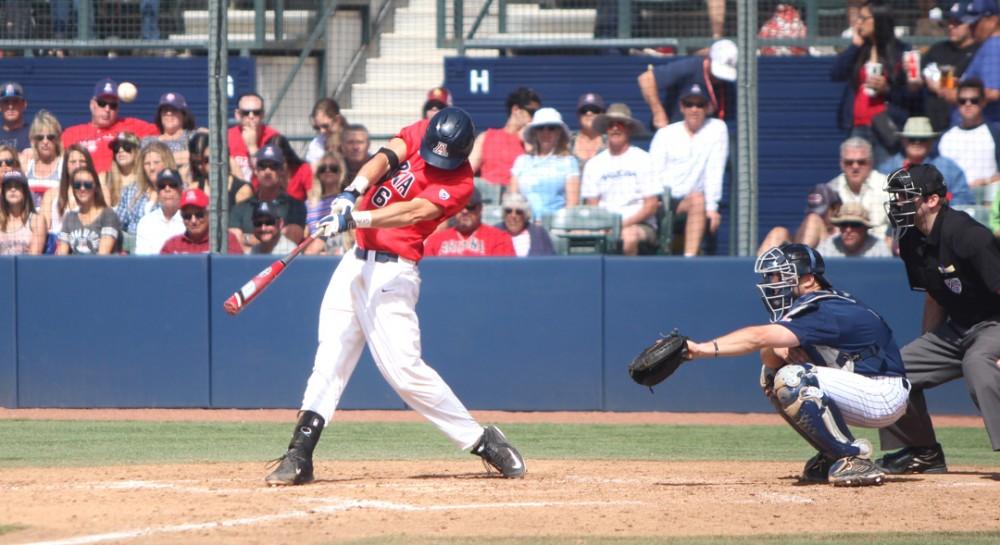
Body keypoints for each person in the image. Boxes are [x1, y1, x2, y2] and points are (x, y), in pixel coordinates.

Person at [264, 107, 526, 486]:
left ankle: (482, 441)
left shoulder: (462, 183)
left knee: (403, 371)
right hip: (354, 263)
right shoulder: (426, 129)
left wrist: (357, 218)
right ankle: (299, 455)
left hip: (394, 272)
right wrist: (352, 190)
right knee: (330, 358)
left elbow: (413, 211)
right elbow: (388, 154)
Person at [683, 243, 908, 486]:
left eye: (780, 275)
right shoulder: (809, 306)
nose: (772, 282)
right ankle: (832, 452)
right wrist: (776, 346)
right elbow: (768, 359)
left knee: (793, 378)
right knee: (773, 374)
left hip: (882, 392)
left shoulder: (823, 307)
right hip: (859, 386)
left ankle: (851, 457)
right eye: (771, 276)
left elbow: (757, 337)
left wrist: (702, 349)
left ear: (809, 279)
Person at [876, 164, 1000, 473]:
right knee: (892, 369)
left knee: (978, 362)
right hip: (956, 329)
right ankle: (924, 452)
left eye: (906, 196)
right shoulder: (910, 240)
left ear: (932, 200)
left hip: (994, 324)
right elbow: (934, 296)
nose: (898, 203)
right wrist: (927, 343)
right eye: (896, 196)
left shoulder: (969, 235)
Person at [830, 1, 920, 167]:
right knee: (857, 176)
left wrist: (887, 89)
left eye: (863, 18)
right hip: (857, 126)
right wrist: (855, 45)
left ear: (878, 20)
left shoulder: (901, 51)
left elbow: (911, 97)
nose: (859, 23)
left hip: (885, 127)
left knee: (886, 178)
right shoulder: (860, 50)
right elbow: (836, 74)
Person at [649, 84, 729, 256]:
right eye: (689, 104)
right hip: (664, 200)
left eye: (700, 105)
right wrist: (657, 200)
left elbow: (715, 169)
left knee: (698, 200)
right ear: (681, 107)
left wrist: (712, 207)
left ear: (708, 108)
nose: (694, 109)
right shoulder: (665, 134)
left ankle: (689, 261)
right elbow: (653, 171)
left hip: (693, 201)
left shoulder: (717, 129)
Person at [581, 103, 659, 256]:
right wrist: (603, 226)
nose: (615, 128)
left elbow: (651, 205)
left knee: (627, 236)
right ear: (606, 129)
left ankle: (628, 279)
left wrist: (620, 225)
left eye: (620, 124)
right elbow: (593, 206)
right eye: (611, 125)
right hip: (603, 225)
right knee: (570, 235)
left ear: (629, 129)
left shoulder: (643, 159)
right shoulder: (594, 164)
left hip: (639, 225)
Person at [61, 77, 158, 174]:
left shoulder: (131, 125)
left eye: (113, 105)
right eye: (102, 103)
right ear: (92, 105)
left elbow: (165, 134)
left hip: (118, 185)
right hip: (86, 186)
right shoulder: (72, 133)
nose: (107, 109)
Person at [637, 39, 738, 130]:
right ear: (709, 59)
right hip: (674, 131)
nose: (719, 78)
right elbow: (646, 79)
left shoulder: (728, 84)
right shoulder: (689, 67)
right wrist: (658, 113)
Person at [877, 117, 975, 206]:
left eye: (922, 139)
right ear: (903, 141)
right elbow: (879, 200)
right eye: (912, 139)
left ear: (931, 141)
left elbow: (964, 200)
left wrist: (942, 206)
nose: (917, 142)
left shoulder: (950, 169)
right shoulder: (888, 169)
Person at [228, 143, 307, 254]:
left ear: (281, 170)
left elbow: (291, 239)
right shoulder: (241, 208)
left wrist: (247, 238)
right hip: (249, 263)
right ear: (255, 170)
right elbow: (234, 243)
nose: (267, 171)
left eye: (274, 166)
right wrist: (271, 236)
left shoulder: (295, 206)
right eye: (263, 165)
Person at [937, 78, 1000, 203]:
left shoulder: (995, 134)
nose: (968, 104)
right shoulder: (947, 138)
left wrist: (985, 181)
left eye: (974, 100)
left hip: (987, 202)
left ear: (983, 102)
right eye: (962, 100)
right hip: (955, 205)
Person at [920, 1, 980, 132]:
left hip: (964, 125)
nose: (951, 26)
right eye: (950, 22)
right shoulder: (937, 50)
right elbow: (920, 76)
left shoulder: (979, 52)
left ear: (971, 24)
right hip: (931, 124)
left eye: (958, 23)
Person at [508, 107, 580, 218]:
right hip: (524, 226)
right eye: (540, 128)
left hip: (556, 227)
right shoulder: (521, 162)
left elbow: (572, 206)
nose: (545, 132)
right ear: (535, 132)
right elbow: (512, 200)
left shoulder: (569, 163)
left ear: (559, 132)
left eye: (551, 128)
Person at [468, 87, 541, 186]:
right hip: (488, 196)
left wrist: (529, 144)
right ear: (515, 110)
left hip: (518, 197)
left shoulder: (535, 142)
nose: (535, 118)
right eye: (532, 112)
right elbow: (468, 171)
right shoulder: (486, 137)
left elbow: (541, 178)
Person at [424, 187, 516, 257]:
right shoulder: (435, 240)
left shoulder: (499, 239)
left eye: (470, 207)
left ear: (480, 208)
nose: (465, 211)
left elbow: (504, 274)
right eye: (460, 206)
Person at [758, 183, 843, 254]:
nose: (818, 217)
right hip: (802, 260)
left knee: (813, 220)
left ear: (835, 208)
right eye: (813, 211)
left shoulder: (845, 231)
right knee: (779, 232)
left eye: (822, 213)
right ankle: (757, 271)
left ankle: (799, 262)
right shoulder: (808, 226)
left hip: (827, 263)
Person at [55, 164, 121, 255]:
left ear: (95, 187)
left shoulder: (108, 215)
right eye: (77, 185)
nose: (82, 188)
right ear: (73, 189)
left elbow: (103, 255)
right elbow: (61, 256)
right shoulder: (69, 217)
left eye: (87, 184)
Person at [41, 144, 95, 254]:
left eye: (82, 161)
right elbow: (42, 227)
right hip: (56, 247)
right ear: (66, 165)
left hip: (86, 244)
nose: (78, 165)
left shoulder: (100, 191)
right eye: (73, 162)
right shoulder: (51, 193)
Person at [116, 141, 177, 239]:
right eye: (147, 164)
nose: (152, 168)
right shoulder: (130, 191)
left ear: (167, 163)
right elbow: (117, 224)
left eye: (156, 162)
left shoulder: (178, 191)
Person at [161, 187, 243, 254]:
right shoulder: (172, 246)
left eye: (199, 215)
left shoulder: (226, 241)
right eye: (187, 216)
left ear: (209, 214)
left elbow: (238, 270)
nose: (193, 221)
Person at [304, 151, 352, 256]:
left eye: (333, 168)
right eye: (323, 168)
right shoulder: (310, 204)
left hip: (342, 250)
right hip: (316, 254)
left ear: (341, 172)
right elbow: (306, 234)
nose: (327, 171)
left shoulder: (348, 200)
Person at [187, 131, 253, 207]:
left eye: (207, 160)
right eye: (196, 162)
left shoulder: (241, 190)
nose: (200, 167)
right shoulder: (194, 189)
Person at [959, 0, 1000, 124]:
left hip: (989, 128)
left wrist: (956, 93)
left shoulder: (994, 45)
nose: (971, 29)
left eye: (975, 24)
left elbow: (993, 92)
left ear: (992, 20)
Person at [228, 92, 281, 182]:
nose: (251, 116)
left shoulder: (274, 137)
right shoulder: (227, 137)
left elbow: (269, 176)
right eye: (245, 113)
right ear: (237, 115)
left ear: (262, 115)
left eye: (256, 113)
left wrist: (252, 146)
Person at [144, 92, 196, 177]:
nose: (168, 113)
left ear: (183, 114)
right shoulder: (148, 142)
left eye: (174, 110)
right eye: (165, 111)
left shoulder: (193, 137)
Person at [134, 168, 185, 255]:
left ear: (181, 190)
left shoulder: (191, 221)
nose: (167, 189)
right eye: (162, 186)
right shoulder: (146, 222)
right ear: (157, 192)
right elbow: (142, 260)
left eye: (173, 185)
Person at [816, 203, 893, 258]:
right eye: (844, 224)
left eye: (855, 224)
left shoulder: (879, 248)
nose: (848, 230)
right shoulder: (828, 246)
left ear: (865, 228)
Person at [24, 110, 64, 208]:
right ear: (34, 140)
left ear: (58, 139)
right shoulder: (26, 163)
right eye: (40, 137)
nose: (45, 141)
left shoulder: (64, 165)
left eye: (50, 137)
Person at [494, 192, 554, 257]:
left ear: (525, 215)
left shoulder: (539, 233)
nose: (513, 215)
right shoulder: (494, 232)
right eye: (509, 211)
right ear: (504, 214)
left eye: (519, 212)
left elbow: (550, 262)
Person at [0, 171, 46, 255]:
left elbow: (33, 257)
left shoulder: (36, 220)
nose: (13, 189)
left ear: (25, 191)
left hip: (26, 267)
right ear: (3, 192)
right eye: (8, 187)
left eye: (17, 186)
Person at [264, 134, 312, 202]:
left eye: (280, 159)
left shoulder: (303, 170)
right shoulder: (267, 174)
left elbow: (313, 201)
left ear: (287, 156)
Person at [569, 92, 607, 169]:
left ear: (603, 114)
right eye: (584, 110)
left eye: (595, 110)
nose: (589, 113)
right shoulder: (567, 141)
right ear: (578, 115)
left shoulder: (611, 143)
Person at [103, 132, 140, 209]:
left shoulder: (145, 178)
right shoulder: (105, 179)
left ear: (136, 150)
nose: (120, 150)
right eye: (116, 148)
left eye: (126, 146)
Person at [304, 97, 344, 164]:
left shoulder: (352, 140)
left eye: (325, 126)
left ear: (337, 120)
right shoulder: (316, 144)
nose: (322, 131)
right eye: (317, 127)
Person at [0, 82, 30, 153]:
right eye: (6, 102)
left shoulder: (34, 135)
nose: (10, 107)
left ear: (24, 105)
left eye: (15, 102)